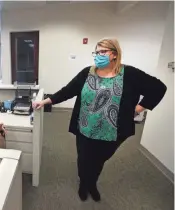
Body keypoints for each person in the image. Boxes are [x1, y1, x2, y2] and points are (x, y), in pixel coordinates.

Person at [33, 38, 167, 202]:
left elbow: (159, 88)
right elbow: (67, 91)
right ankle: (84, 184)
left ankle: (92, 183)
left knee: (99, 160)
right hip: (85, 127)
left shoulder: (130, 74)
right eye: (96, 52)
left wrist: (138, 108)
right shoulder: (87, 73)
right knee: (83, 158)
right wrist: (45, 101)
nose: (98, 56)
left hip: (113, 131)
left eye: (102, 52)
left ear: (114, 54)